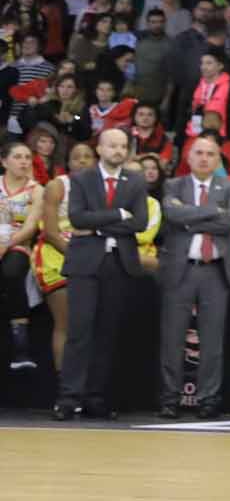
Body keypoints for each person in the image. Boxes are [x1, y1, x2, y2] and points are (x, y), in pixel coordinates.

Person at [52, 126, 144, 419]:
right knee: (79, 332)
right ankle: (68, 398)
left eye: (122, 146)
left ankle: (96, 398)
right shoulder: (82, 179)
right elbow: (77, 216)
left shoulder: (136, 181)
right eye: (112, 145)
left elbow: (140, 222)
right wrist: (118, 215)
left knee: (107, 333)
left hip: (119, 263)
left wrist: (97, 225)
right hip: (84, 263)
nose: (118, 150)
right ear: (100, 149)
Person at [155, 134, 230, 418]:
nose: (204, 158)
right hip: (180, 270)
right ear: (189, 157)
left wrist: (191, 216)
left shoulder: (229, 187)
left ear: (218, 160)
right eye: (199, 153)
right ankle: (169, 398)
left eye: (210, 154)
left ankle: (208, 399)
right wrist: (210, 213)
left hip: (215, 271)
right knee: (172, 338)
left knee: (212, 341)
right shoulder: (173, 184)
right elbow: (172, 215)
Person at [0, 142, 41, 376]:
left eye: (27, 157)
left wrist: (6, 245)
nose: (24, 162)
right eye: (18, 157)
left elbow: (31, 226)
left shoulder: (37, 189)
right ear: (4, 161)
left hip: (19, 244)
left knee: (12, 271)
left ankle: (21, 346)